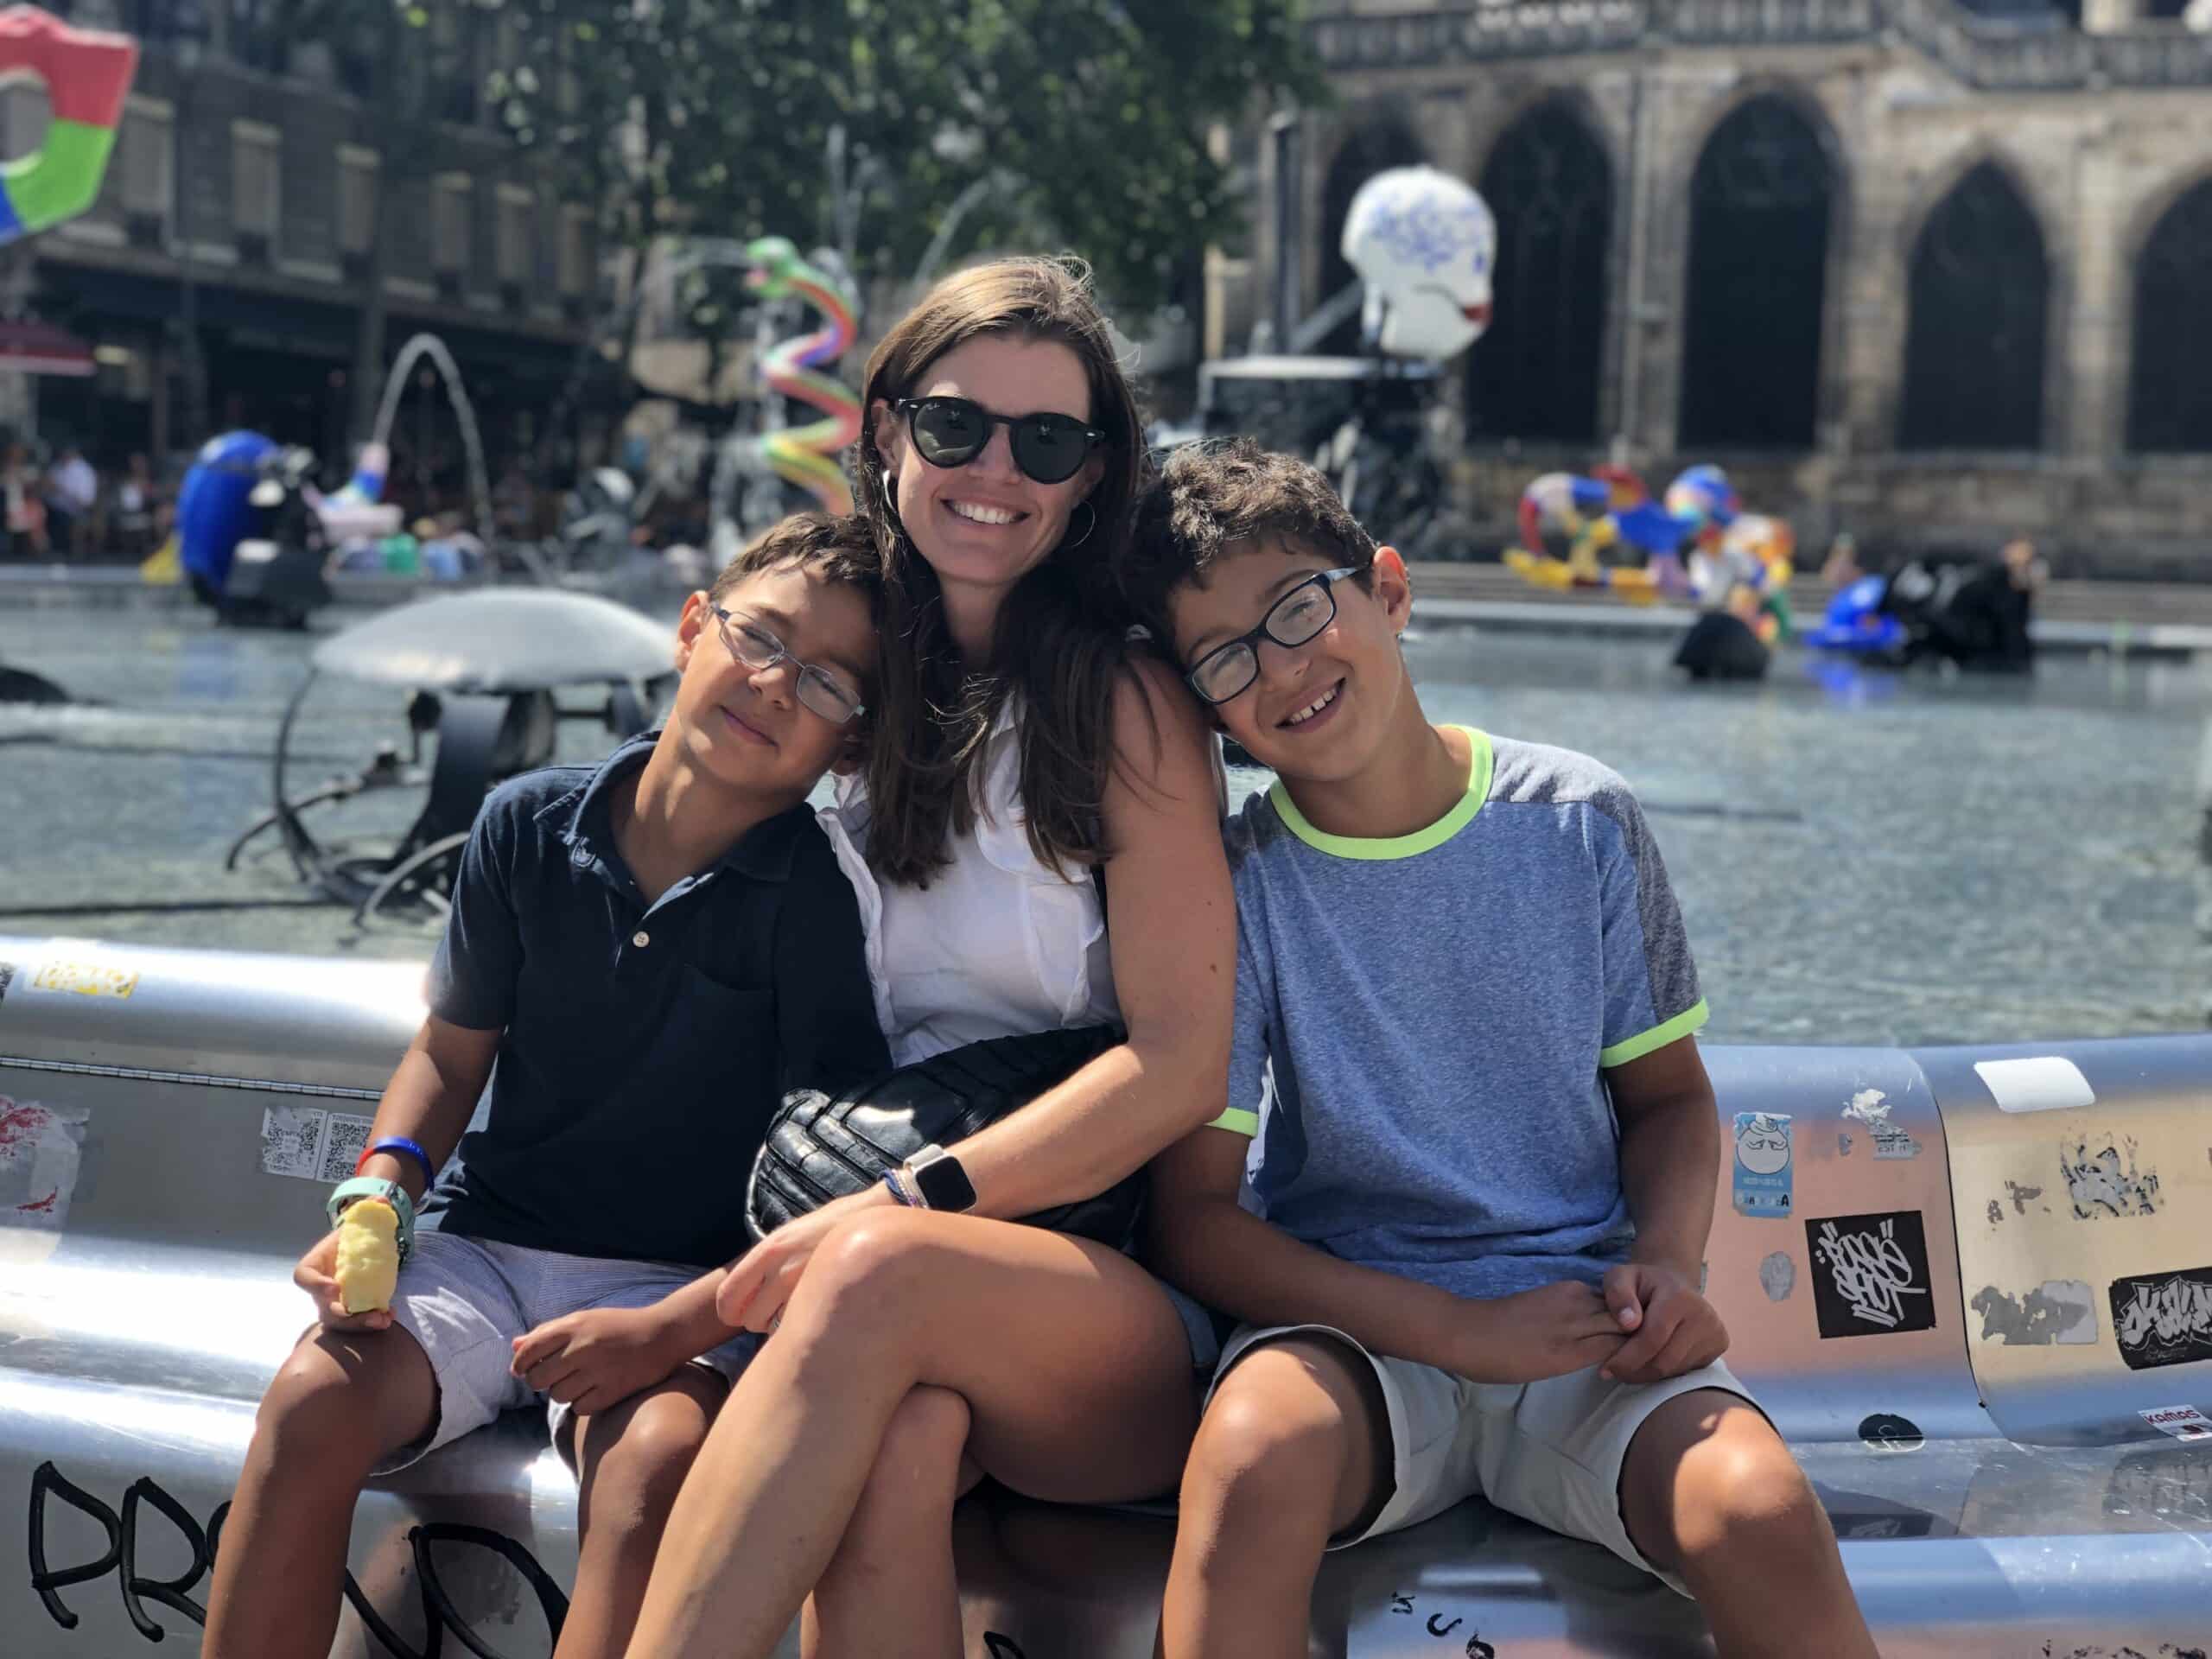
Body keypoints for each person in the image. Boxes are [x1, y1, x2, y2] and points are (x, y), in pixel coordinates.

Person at [1121, 440, 1878, 1659]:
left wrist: (1674, 1268)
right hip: (1354, 1339)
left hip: (1587, 1329)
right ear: (1204, 708)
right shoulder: (1236, 883)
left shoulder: (1580, 820)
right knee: (1253, 1460)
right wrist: (1448, 1329)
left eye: (1299, 607)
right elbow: (1197, 1221)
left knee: (1764, 1511)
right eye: (1225, 657)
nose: (1282, 667)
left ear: (1391, 589)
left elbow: (1671, 1105)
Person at [619, 257, 1234, 1659]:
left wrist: (910, 1201)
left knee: (873, 1279)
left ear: (1091, 481)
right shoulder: (839, 685)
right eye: (956, 427)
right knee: (896, 1449)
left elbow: (1181, 1062)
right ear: (887, 429)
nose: (996, 471)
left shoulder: (1126, 704)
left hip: (1099, 1294)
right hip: (877, 1279)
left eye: (1049, 442)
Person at [200, 513, 892, 1659]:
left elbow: (827, 1169)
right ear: (690, 629)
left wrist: (683, 1324)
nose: (774, 685)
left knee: (660, 1470)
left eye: (824, 682)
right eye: (761, 639)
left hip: (682, 1283)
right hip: (485, 1245)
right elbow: (448, 1052)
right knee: (313, 1402)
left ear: (852, 745)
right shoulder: (524, 823)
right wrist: (381, 1193)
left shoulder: (817, 901)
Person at [44, 444, 98, 558]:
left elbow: (85, 500)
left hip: (77, 511)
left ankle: (71, 555)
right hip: (53, 509)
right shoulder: (56, 467)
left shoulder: (85, 471)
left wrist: (62, 490)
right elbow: (46, 488)